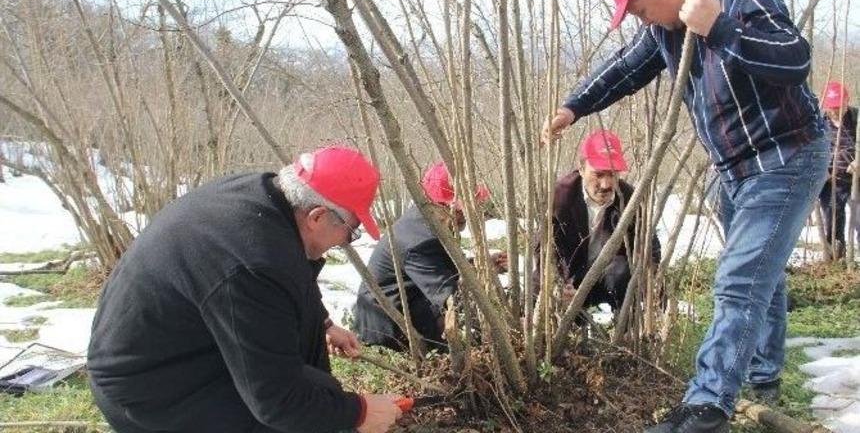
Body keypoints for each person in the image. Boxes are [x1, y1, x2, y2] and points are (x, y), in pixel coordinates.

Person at [541, 0, 829, 431]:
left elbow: (795, 59)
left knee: (740, 279)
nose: (643, 22)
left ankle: (707, 406)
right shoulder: (665, 29)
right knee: (762, 272)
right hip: (733, 169)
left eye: (639, 11)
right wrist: (574, 107)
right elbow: (626, 67)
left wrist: (720, 28)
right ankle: (763, 375)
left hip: (785, 156)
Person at [87, 146, 403, 433]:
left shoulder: (267, 198)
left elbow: (288, 282)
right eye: (350, 231)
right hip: (150, 392)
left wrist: (324, 322)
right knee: (297, 412)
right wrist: (358, 412)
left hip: (182, 346)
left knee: (318, 387)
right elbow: (278, 401)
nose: (346, 242)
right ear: (317, 217)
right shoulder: (255, 263)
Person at [353, 162, 505, 351]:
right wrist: (500, 328)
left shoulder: (426, 221)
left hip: (412, 302)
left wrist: (483, 267)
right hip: (390, 327)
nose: (467, 214)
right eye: (461, 209)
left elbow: (443, 270)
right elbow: (451, 298)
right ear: (441, 206)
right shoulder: (420, 241)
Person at [534, 130, 660, 313]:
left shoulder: (629, 198)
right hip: (570, 278)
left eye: (612, 174)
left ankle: (624, 326)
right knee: (536, 297)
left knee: (623, 271)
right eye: (599, 174)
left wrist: (649, 276)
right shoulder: (560, 196)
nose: (607, 184)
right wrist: (558, 284)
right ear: (581, 169)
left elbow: (651, 247)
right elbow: (543, 249)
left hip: (607, 279)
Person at [818, 81, 859, 259]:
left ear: (847, 101)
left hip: (856, 179)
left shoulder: (856, 118)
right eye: (831, 107)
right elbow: (807, 150)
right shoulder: (818, 123)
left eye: (838, 106)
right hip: (830, 182)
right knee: (833, 220)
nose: (834, 111)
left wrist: (859, 161)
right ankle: (837, 259)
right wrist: (822, 170)